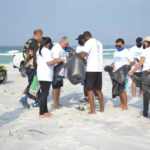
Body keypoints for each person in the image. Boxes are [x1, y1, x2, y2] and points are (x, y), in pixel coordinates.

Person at [70, 31, 104, 114]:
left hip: (91, 69)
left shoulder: (89, 42)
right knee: (98, 90)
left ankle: (93, 110)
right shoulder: (99, 42)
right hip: (99, 68)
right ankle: (102, 109)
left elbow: (82, 55)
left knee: (89, 89)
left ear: (85, 38)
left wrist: (74, 53)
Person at [36, 37, 64, 118]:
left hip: (41, 74)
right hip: (46, 74)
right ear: (48, 43)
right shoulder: (46, 51)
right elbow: (49, 63)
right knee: (44, 94)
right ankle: (41, 113)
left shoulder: (39, 50)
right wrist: (58, 60)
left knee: (45, 93)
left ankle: (46, 111)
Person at [20, 29, 43, 108]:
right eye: (41, 36)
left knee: (33, 83)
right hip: (33, 66)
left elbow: (25, 55)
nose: (41, 37)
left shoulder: (28, 42)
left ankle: (35, 100)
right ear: (39, 34)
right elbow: (36, 56)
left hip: (27, 66)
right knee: (33, 83)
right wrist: (37, 65)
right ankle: (24, 97)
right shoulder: (36, 43)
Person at [110, 38, 134, 110]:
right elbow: (114, 62)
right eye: (116, 46)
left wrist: (128, 67)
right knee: (119, 90)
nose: (118, 47)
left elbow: (132, 62)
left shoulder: (126, 52)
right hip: (117, 74)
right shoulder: (115, 52)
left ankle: (125, 106)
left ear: (123, 45)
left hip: (124, 75)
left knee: (123, 90)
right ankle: (121, 104)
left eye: (119, 45)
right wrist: (111, 66)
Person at [129, 36, 150, 118]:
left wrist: (132, 71)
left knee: (146, 95)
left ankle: (145, 114)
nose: (143, 43)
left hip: (146, 72)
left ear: (148, 43)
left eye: (145, 42)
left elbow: (140, 63)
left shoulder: (145, 51)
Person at [75, 34, 99, 102]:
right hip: (82, 68)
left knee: (92, 85)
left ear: (84, 39)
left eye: (80, 40)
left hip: (90, 68)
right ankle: (86, 97)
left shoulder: (88, 45)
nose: (79, 41)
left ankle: (96, 97)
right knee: (84, 84)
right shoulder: (78, 47)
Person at [51, 36, 69, 109]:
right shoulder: (56, 48)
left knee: (59, 87)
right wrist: (63, 62)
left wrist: (67, 60)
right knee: (55, 87)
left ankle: (57, 102)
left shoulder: (62, 48)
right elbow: (56, 59)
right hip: (56, 70)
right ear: (62, 42)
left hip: (61, 70)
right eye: (66, 44)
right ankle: (55, 104)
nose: (66, 46)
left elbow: (65, 55)